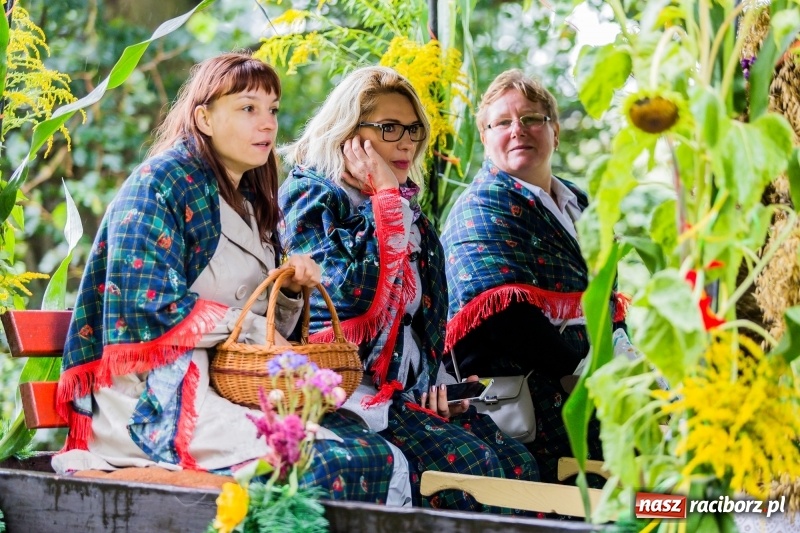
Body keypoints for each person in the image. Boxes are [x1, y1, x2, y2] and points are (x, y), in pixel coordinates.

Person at [52, 52, 410, 505]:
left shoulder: (249, 200)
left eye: (273, 110)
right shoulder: (160, 183)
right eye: (247, 108)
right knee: (320, 463)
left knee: (375, 454)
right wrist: (253, 325)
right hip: (155, 398)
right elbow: (146, 305)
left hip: (230, 388)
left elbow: (263, 330)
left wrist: (291, 291)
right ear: (203, 117)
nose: (267, 124)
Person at [278, 65, 539, 513]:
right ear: (348, 132)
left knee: (518, 463)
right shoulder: (311, 197)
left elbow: (421, 325)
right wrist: (383, 197)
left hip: (401, 395)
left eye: (413, 129)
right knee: (474, 469)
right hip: (341, 395)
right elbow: (351, 297)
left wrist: (437, 387)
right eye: (389, 128)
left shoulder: (408, 211)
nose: (406, 142)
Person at [440, 69, 628, 484]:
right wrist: (583, 375)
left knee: (661, 499)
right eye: (502, 123)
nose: (517, 130)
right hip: (534, 409)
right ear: (485, 138)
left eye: (530, 119)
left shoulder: (580, 202)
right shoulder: (479, 208)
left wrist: (624, 354)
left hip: (603, 392)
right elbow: (503, 317)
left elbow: (607, 297)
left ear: (555, 132)